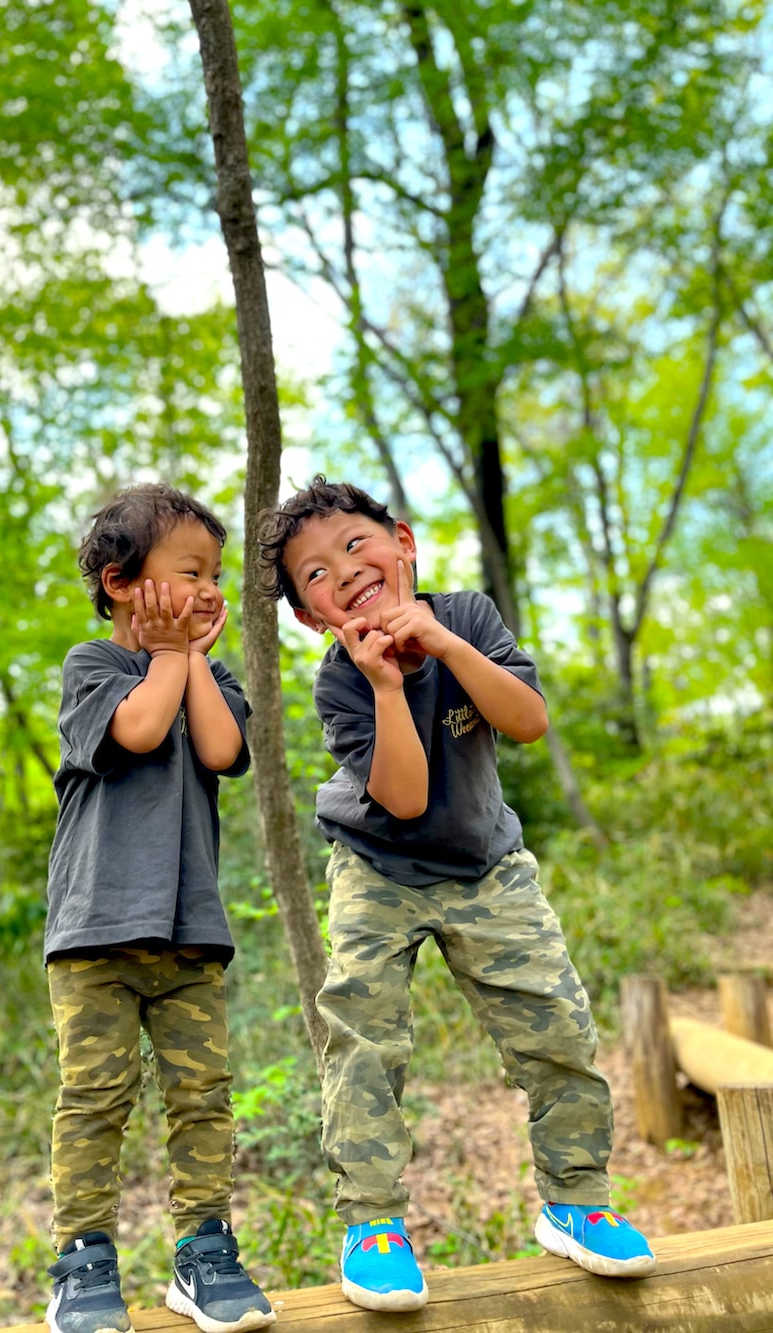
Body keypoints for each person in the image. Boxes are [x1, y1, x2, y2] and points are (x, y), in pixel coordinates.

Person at [257, 476, 656, 1314]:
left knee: (555, 1025)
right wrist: (391, 685)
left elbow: (527, 718)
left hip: (486, 862)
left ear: (403, 542)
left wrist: (440, 644)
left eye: (356, 545)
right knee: (364, 1039)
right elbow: (400, 798)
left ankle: (577, 1199)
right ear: (308, 616)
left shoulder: (466, 615)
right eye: (316, 575)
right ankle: (372, 1225)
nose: (345, 572)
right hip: (378, 869)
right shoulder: (341, 682)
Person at [44, 482, 275, 1333]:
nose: (212, 587)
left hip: (190, 935)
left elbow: (221, 747)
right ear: (119, 582)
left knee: (203, 1093)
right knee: (95, 1095)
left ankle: (205, 1249)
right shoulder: (92, 667)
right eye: (192, 569)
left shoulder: (208, 677)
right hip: (95, 932)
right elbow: (138, 731)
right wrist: (170, 655)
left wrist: (187, 655)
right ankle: (82, 1259)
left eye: (216, 572)